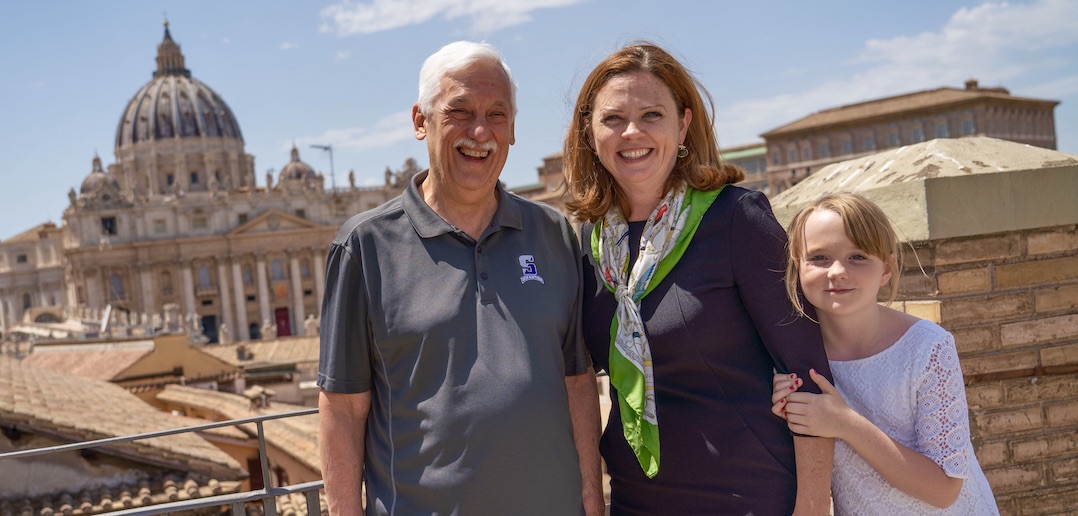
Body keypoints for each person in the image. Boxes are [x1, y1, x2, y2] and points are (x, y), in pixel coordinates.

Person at [316, 41, 603, 516]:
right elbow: (342, 408)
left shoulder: (552, 233)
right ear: (420, 121)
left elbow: (577, 379)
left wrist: (592, 497)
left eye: (497, 114)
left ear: (512, 129)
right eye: (460, 111)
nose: (480, 131)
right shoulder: (363, 246)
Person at [564, 42, 834, 515]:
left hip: (746, 495)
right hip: (635, 499)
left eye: (652, 115)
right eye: (612, 119)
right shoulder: (589, 245)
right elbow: (576, 373)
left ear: (683, 124)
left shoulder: (736, 219)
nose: (632, 132)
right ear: (589, 131)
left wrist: (811, 507)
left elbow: (807, 374)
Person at [771, 192, 999, 514]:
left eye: (858, 257)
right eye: (819, 258)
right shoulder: (793, 359)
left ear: (887, 269)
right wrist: (787, 409)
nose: (837, 271)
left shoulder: (928, 348)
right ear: (797, 267)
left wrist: (846, 423)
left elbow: (945, 489)